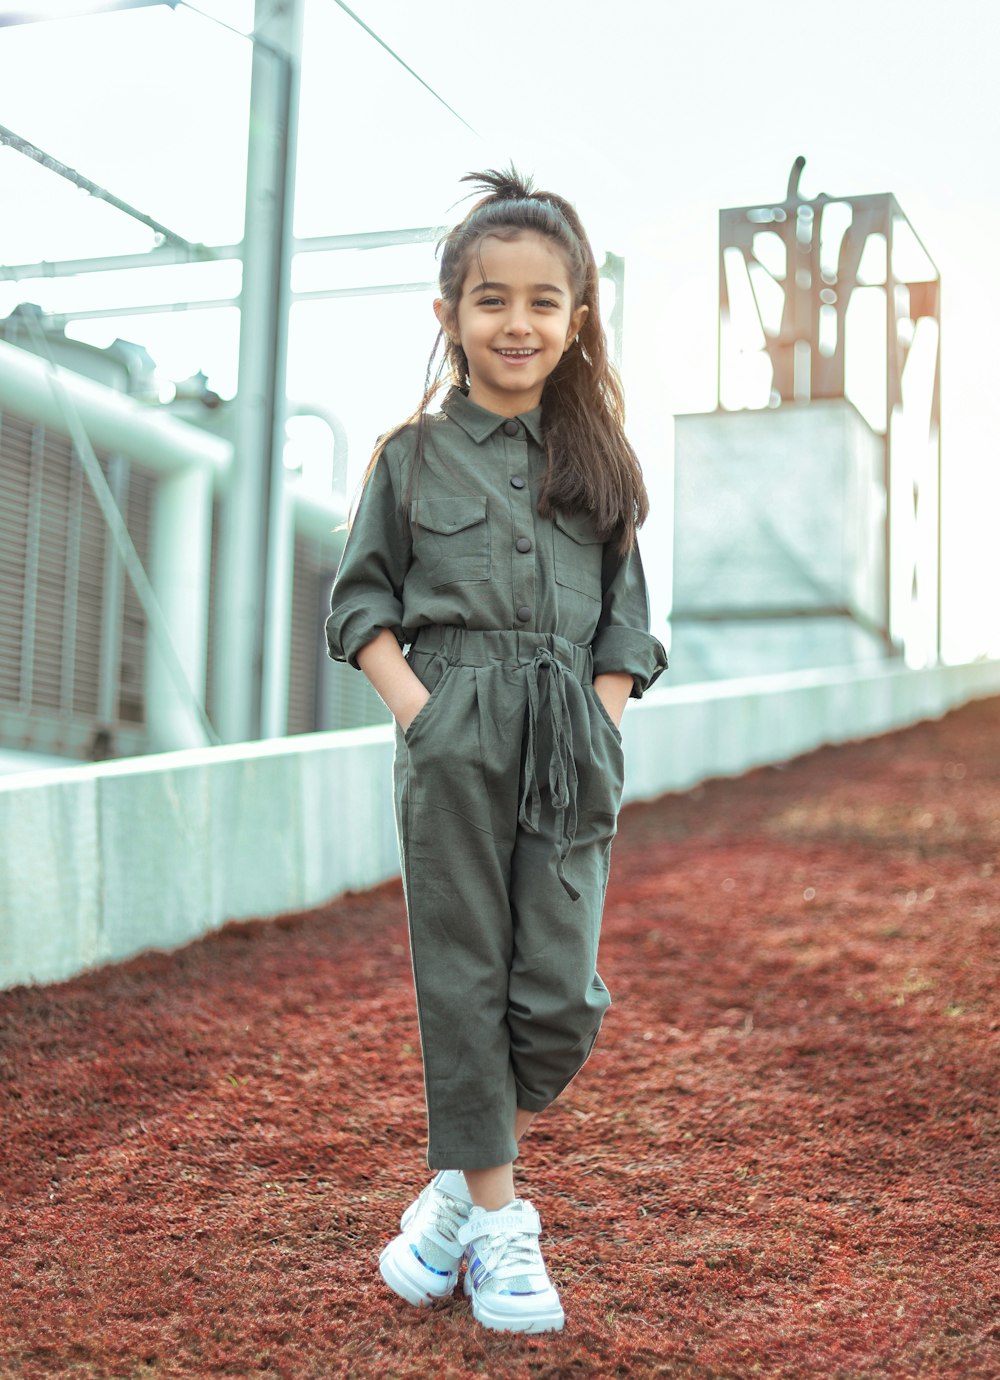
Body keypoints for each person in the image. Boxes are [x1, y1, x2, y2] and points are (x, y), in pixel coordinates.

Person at [325, 167, 667, 1334]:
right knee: (463, 971)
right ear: (449, 316)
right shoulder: (409, 459)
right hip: (453, 720)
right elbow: (357, 605)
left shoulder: (602, 464)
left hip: (573, 729)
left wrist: (605, 712)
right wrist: (420, 710)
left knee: (558, 991)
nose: (515, 323)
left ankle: (454, 1197)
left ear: (576, 321)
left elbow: (629, 615)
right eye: (490, 300)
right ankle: (505, 1227)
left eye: (541, 302)